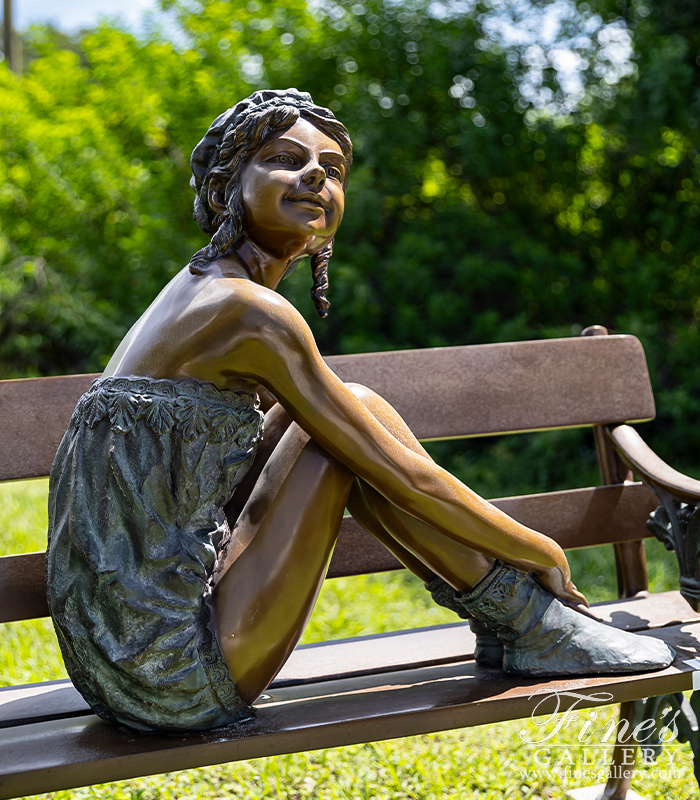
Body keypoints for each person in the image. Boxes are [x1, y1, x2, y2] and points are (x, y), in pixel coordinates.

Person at [45, 89, 674, 733]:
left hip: (125, 657)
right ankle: (528, 623)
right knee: (346, 433)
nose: (316, 175)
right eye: (284, 159)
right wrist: (540, 550)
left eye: (333, 169)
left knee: (347, 417)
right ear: (221, 190)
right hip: (171, 675)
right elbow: (396, 476)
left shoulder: (197, 292)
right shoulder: (246, 314)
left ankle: (519, 624)